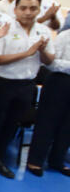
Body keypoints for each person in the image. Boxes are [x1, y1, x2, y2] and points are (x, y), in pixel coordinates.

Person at [0, 0, 54, 180]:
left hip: (26, 84)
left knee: (11, 125)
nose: (28, 12)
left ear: (38, 9)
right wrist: (27, 53)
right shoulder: (5, 28)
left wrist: (41, 51)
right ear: (15, 9)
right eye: (23, 8)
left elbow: (49, 61)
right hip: (2, 83)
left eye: (33, 8)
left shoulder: (42, 31)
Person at [26, 28, 70, 177]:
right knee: (47, 122)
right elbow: (51, 62)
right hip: (60, 80)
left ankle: (57, 161)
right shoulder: (64, 36)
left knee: (67, 126)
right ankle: (35, 161)